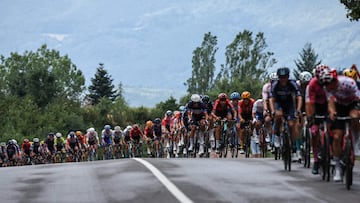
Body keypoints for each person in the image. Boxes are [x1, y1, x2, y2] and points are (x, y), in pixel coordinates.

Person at [319, 67, 360, 181]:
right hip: (339, 107)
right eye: (325, 84)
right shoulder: (327, 88)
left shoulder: (348, 83)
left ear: (334, 80)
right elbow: (330, 102)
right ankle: (337, 166)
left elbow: (358, 98)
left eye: (328, 83)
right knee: (337, 136)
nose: (327, 86)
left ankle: (356, 144)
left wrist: (357, 111)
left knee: (355, 117)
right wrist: (332, 112)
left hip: (352, 104)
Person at [269, 67, 302, 160]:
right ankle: (276, 135)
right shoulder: (275, 85)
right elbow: (271, 99)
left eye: (285, 77)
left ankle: (294, 149)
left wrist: (298, 109)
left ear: (288, 77)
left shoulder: (292, 84)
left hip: (289, 105)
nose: (283, 79)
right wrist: (272, 111)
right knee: (278, 115)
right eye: (281, 77)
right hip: (278, 104)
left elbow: (299, 97)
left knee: (292, 125)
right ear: (278, 77)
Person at [305, 64, 330, 174]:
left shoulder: (331, 81)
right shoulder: (312, 84)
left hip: (329, 105)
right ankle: (315, 160)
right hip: (316, 106)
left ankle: (333, 153)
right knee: (314, 132)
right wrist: (311, 117)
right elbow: (310, 103)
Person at [262, 72, 278, 151]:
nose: (274, 83)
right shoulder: (266, 87)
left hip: (277, 104)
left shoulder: (280, 86)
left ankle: (278, 137)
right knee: (267, 119)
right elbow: (265, 100)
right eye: (272, 81)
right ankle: (268, 136)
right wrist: (266, 110)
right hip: (268, 103)